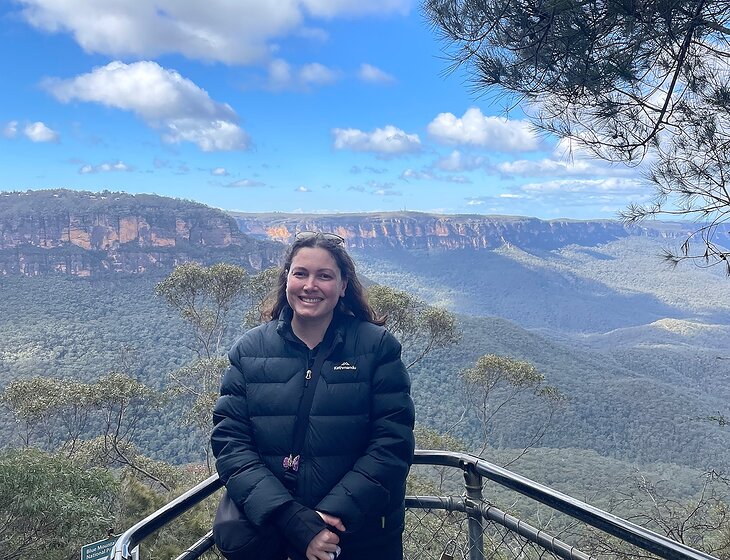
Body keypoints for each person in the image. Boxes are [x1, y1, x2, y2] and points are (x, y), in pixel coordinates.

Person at [211, 231, 416, 560]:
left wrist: (328, 519)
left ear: (343, 285)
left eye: (324, 276)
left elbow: (392, 443)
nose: (310, 285)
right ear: (287, 279)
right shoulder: (249, 351)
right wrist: (293, 520)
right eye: (301, 273)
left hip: (360, 537)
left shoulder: (377, 348)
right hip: (275, 534)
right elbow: (231, 443)